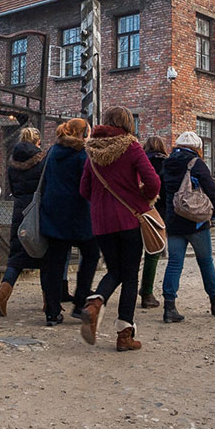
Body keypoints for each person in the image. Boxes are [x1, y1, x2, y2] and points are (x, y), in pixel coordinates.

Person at [78, 107, 161, 351]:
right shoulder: (132, 147)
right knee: (130, 276)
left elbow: (84, 189)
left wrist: (101, 205)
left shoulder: (92, 150)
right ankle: (124, 336)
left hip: (101, 224)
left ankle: (94, 304)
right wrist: (142, 198)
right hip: (128, 220)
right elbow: (154, 182)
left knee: (115, 270)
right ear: (127, 124)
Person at [159, 131, 215, 323]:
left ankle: (169, 307)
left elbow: (161, 191)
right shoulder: (196, 163)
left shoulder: (167, 163)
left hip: (173, 222)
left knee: (174, 263)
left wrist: (166, 216)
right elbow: (210, 188)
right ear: (196, 147)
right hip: (196, 221)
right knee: (205, 261)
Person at [38, 119, 99, 326]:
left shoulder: (53, 152)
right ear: (83, 135)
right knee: (91, 255)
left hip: (53, 213)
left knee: (54, 263)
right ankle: (80, 301)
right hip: (80, 213)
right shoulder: (84, 156)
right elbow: (90, 184)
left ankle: (52, 312)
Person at [0, 126, 45, 317]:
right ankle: (50, 302)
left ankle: (2, 294)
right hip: (38, 209)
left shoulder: (12, 162)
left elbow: (12, 187)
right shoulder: (42, 161)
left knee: (16, 257)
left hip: (19, 208)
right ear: (37, 141)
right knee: (45, 256)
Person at [138, 136, 169, 310]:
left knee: (135, 252)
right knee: (153, 251)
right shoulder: (166, 163)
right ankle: (147, 291)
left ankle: (134, 289)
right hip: (158, 212)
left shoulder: (140, 161)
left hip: (137, 209)